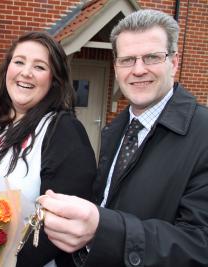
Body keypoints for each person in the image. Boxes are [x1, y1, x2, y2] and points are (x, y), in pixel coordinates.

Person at [38, 9, 208, 267]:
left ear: (173, 62)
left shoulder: (203, 134)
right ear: (116, 68)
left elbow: (200, 244)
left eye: (151, 57)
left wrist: (101, 228)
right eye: (127, 60)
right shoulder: (116, 129)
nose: (138, 70)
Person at [0, 31, 97, 266]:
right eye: (19, 62)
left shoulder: (63, 131)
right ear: (7, 68)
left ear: (54, 79)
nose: (26, 72)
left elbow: (60, 227)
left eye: (39, 67)